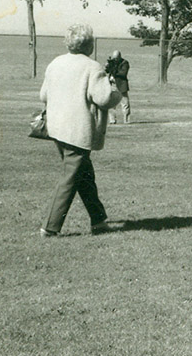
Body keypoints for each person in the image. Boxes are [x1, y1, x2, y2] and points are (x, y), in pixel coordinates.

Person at [38, 23, 122, 237]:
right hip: (78, 130)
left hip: (56, 127)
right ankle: (50, 226)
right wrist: (116, 88)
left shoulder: (55, 63)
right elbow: (103, 99)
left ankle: (99, 220)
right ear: (89, 44)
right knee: (71, 177)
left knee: (83, 174)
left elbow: (43, 96)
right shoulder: (92, 67)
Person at [104, 50, 131, 124]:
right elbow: (107, 71)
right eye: (114, 58)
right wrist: (107, 66)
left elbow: (123, 73)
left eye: (116, 58)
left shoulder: (125, 63)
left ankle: (126, 119)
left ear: (119, 57)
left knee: (125, 103)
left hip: (121, 85)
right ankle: (112, 120)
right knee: (112, 104)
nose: (115, 60)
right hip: (112, 85)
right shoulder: (112, 62)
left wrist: (114, 71)